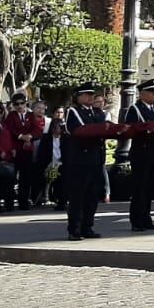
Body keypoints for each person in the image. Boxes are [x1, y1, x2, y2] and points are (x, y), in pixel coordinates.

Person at [63, 84, 109, 240]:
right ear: (78, 96)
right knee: (78, 196)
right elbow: (74, 130)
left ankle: (87, 226)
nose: (90, 97)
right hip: (80, 160)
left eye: (92, 94)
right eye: (86, 94)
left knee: (92, 196)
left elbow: (103, 128)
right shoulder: (73, 111)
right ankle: (74, 229)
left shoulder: (97, 112)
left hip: (96, 159)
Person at [124, 81, 154, 231]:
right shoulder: (135, 109)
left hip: (153, 151)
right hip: (140, 152)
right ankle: (136, 220)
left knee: (149, 186)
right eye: (151, 92)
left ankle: (146, 217)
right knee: (139, 187)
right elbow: (129, 128)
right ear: (142, 94)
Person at [5, 93, 46, 210]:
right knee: (11, 177)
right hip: (15, 150)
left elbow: (37, 130)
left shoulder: (30, 115)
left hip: (27, 150)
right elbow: (9, 131)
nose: (19, 106)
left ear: (25, 103)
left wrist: (30, 136)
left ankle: (23, 202)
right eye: (16, 104)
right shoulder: (11, 116)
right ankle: (9, 203)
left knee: (25, 177)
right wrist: (20, 136)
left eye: (21, 103)